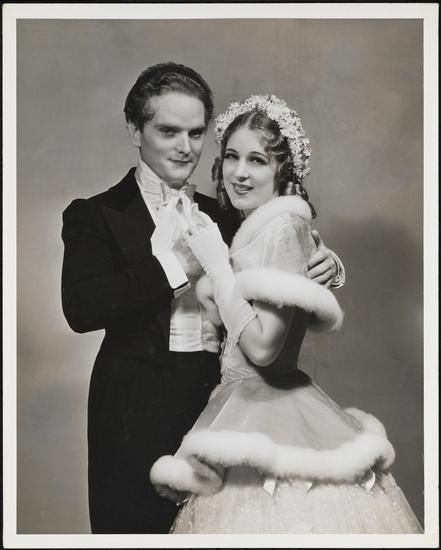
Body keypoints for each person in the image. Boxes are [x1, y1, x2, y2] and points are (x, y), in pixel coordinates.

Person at [61, 63, 343, 534]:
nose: (185, 147)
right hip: (132, 410)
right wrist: (177, 266)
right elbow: (81, 307)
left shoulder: (227, 211)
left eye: (196, 133)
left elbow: (282, 242)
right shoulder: (96, 214)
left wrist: (329, 263)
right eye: (168, 131)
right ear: (134, 129)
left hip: (219, 404)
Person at [150, 95, 423, 534]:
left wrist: (219, 269)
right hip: (227, 404)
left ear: (283, 170)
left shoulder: (278, 227)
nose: (239, 172)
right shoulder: (250, 223)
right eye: (232, 157)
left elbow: (262, 347)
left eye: (257, 160)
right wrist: (322, 265)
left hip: (265, 408)